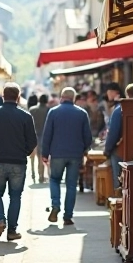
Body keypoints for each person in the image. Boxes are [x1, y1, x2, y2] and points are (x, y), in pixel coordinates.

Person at [0, 82, 37, 240]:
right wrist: (24, 153)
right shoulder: (25, 116)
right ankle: (12, 231)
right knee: (15, 196)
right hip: (18, 162)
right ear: (18, 98)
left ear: (3, 97)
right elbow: (32, 141)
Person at [41, 87, 92, 225]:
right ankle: (68, 216)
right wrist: (85, 150)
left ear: (61, 97)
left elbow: (47, 135)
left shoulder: (53, 112)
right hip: (75, 154)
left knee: (54, 180)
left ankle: (55, 205)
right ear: (74, 98)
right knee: (71, 185)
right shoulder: (82, 113)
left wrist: (45, 153)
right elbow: (88, 136)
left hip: (57, 153)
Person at [102, 82, 126, 190]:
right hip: (130, 148)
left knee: (118, 180)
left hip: (119, 149)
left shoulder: (118, 109)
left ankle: (119, 201)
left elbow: (113, 132)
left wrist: (107, 149)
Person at [28, 94, 50, 183]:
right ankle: (41, 175)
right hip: (44, 135)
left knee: (32, 157)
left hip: (33, 134)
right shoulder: (49, 110)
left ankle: (33, 173)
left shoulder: (32, 109)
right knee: (41, 156)